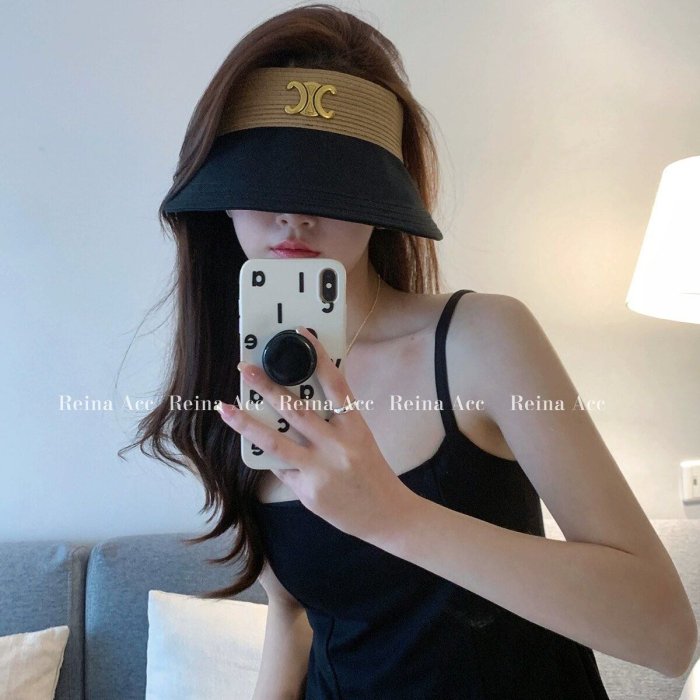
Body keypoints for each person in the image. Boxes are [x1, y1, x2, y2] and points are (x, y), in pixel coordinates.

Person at [121, 4, 697, 698]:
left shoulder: (482, 340)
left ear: (380, 197)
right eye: (264, 180)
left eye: (328, 184)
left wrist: (394, 516)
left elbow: (666, 634)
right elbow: (293, 614)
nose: (292, 214)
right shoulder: (243, 386)